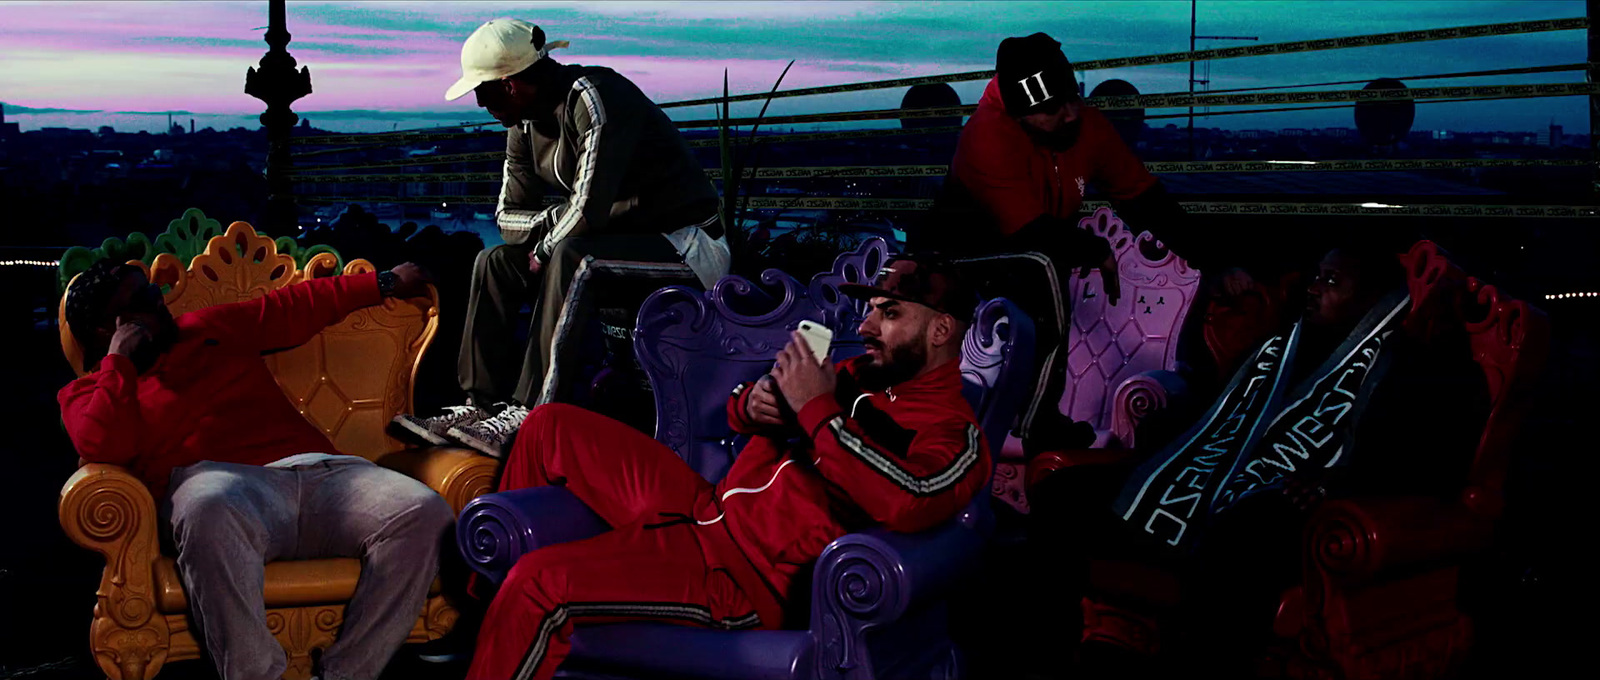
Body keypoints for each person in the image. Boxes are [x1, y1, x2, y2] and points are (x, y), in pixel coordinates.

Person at [463, 255, 991, 680]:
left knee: (538, 583)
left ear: (942, 329)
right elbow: (742, 409)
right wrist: (754, 401)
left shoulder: (953, 431)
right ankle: (485, 602)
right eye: (871, 309)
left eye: (890, 313)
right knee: (549, 425)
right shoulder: (856, 373)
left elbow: (913, 498)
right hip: (704, 508)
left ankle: (509, 619)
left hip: (739, 571)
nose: (866, 324)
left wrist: (815, 410)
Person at [1028, 243, 1489, 677]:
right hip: (1210, 474)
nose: (1313, 288)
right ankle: (1061, 650)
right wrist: (1168, 450)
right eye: (1316, 277)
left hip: (1302, 502)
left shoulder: (1409, 366)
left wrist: (1334, 485)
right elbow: (1213, 419)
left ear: (1370, 299)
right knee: (1063, 491)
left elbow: (1421, 464)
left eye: (1331, 282)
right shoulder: (1283, 348)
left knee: (1241, 531)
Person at [58, 259, 455, 680]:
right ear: (108, 329)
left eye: (153, 290)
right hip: (221, 486)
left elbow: (292, 308)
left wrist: (387, 281)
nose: (159, 301)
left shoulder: (206, 328)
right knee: (207, 505)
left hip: (322, 473)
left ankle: (349, 674)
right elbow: (104, 445)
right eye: (141, 301)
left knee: (425, 513)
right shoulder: (91, 392)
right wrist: (119, 363)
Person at [395, 18, 731, 456]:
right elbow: (506, 218)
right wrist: (553, 223)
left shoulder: (594, 97)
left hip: (685, 245)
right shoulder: (522, 126)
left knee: (574, 255)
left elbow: (589, 209)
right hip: (606, 240)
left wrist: (549, 242)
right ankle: (477, 405)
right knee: (493, 261)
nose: (479, 103)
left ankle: (527, 411)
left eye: (484, 91)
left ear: (512, 84)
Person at [917, 32, 1245, 452]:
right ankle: (1033, 424)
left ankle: (1033, 419)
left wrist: (1216, 262)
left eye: (1072, 97)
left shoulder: (1084, 126)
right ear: (1020, 115)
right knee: (1040, 271)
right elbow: (1029, 233)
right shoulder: (988, 135)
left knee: (1041, 270)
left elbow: (1147, 201)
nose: (1071, 114)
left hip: (1031, 255)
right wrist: (1097, 251)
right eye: (1052, 108)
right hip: (960, 265)